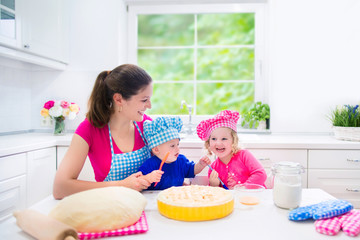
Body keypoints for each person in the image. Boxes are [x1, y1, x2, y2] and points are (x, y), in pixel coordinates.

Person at [53, 64, 154, 199]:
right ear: (118, 99)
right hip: (109, 205)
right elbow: (60, 188)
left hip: (147, 203)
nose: (149, 105)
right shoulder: (89, 129)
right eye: (144, 100)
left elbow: (168, 163)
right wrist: (122, 185)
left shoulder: (147, 125)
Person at [196, 110, 267, 189]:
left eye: (224, 139)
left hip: (256, 198)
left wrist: (244, 188)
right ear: (208, 143)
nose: (218, 143)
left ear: (234, 140)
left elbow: (261, 174)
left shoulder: (244, 155)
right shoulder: (213, 168)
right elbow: (219, 196)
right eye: (213, 139)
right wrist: (214, 186)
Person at [138, 116, 211, 190]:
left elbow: (193, 170)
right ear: (156, 150)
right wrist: (149, 178)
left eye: (177, 144)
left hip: (175, 198)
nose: (177, 149)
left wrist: (200, 165)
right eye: (172, 146)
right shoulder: (150, 165)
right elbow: (139, 180)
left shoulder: (181, 161)